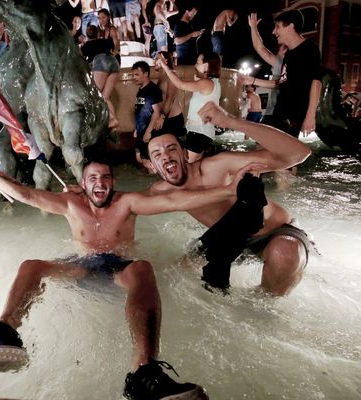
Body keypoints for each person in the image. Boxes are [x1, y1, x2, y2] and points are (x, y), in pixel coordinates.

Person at [0, 149, 258, 399]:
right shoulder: (71, 204)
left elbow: (174, 199)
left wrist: (231, 191)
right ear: (83, 183)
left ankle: (144, 372)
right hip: (81, 268)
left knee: (142, 267)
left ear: (112, 181)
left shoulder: (127, 203)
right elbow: (23, 193)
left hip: (118, 269)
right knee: (32, 265)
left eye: (105, 178)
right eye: (93, 179)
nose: (100, 184)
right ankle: (4, 331)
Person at [147, 101, 313, 296]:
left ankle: (262, 311)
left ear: (185, 154)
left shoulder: (219, 165)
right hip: (224, 237)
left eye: (171, 149)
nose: (165, 156)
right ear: (151, 166)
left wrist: (231, 121)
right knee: (171, 276)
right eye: (157, 154)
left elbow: (298, 153)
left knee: (284, 253)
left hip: (273, 232)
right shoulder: (159, 191)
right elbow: (124, 204)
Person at [240, 10, 322, 139]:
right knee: (261, 147)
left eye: (278, 27)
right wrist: (253, 80)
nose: (274, 32)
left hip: (292, 116)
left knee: (274, 154)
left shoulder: (309, 49)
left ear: (291, 26)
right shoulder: (289, 54)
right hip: (279, 112)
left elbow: (316, 82)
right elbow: (282, 83)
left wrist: (310, 116)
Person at [156, 51, 222, 163]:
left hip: (200, 133)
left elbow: (180, 84)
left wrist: (164, 66)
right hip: (200, 133)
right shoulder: (211, 82)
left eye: (198, 63)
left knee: (184, 169)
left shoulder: (207, 83)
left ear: (206, 65)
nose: (195, 66)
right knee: (194, 170)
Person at [247, 13, 287, 119]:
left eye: (282, 49)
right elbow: (260, 48)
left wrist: (254, 27)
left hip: (279, 113)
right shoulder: (281, 62)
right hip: (275, 112)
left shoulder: (282, 63)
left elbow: (260, 48)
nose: (274, 32)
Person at [131, 61, 163, 168]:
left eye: (137, 74)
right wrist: (137, 129)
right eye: (133, 75)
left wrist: (148, 132)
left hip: (149, 132)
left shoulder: (152, 90)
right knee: (140, 159)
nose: (134, 77)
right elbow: (140, 110)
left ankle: (157, 182)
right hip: (141, 130)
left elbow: (157, 112)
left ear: (146, 74)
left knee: (148, 161)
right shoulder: (141, 89)